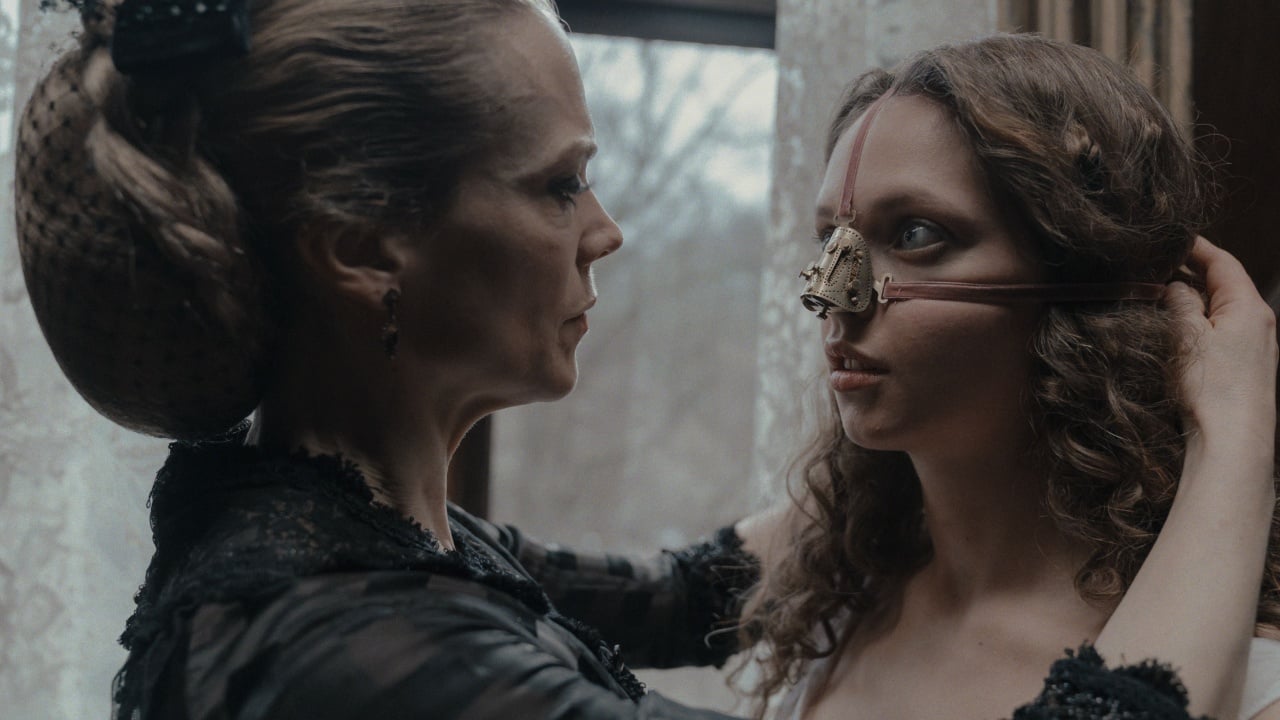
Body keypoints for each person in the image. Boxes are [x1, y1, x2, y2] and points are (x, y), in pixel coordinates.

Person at [12, 3, 1274, 720]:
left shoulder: (350, 535)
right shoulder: (348, 641)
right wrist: (1234, 439)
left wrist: (926, 427)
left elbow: (680, 594)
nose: (605, 230)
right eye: (559, 185)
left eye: (908, 234)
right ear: (361, 249)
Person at [732, 34, 1280, 720]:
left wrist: (1234, 426)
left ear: (1085, 281)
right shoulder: (828, 617)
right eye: (829, 242)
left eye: (914, 234)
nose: (829, 296)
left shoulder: (1243, 686)